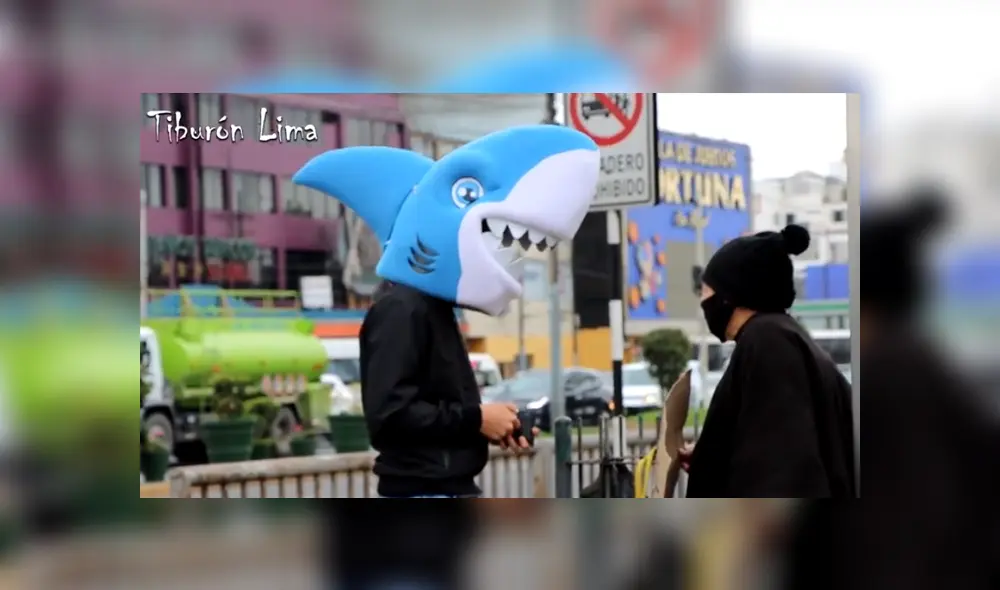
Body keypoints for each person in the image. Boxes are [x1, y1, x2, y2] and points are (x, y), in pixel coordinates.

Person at [293, 124, 601, 498]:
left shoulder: (432, 306)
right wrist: (476, 419)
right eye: (466, 193)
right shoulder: (400, 309)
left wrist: (493, 423)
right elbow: (389, 416)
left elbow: (432, 408)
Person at [681, 224, 855, 498]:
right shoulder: (780, 335)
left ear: (731, 294)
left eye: (706, 290)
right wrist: (712, 460)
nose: (703, 299)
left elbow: (781, 465)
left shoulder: (768, 343)